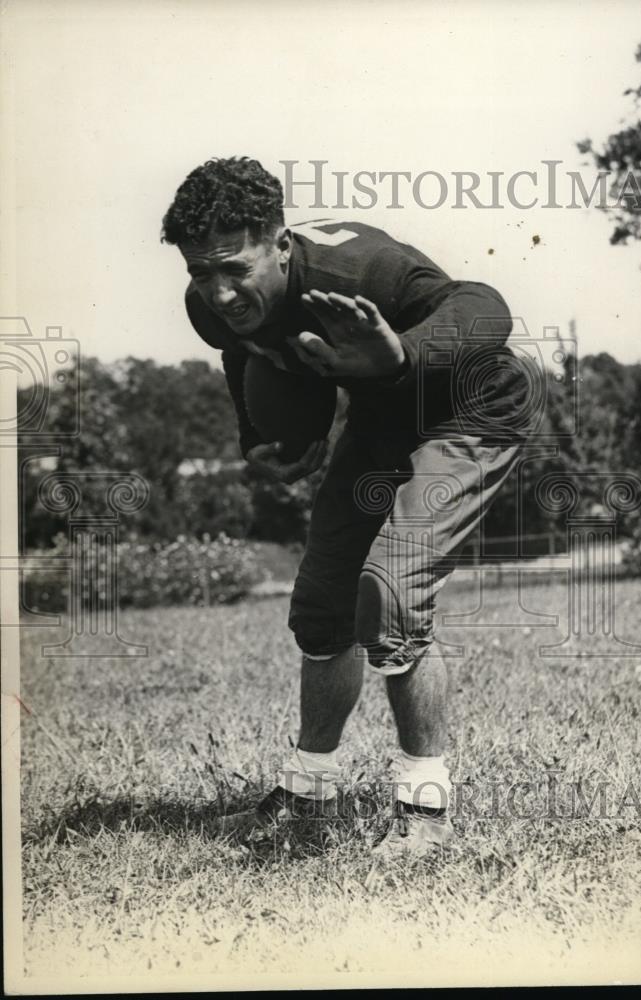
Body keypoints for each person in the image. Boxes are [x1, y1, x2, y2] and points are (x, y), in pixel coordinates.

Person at [161, 156, 530, 859]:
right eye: (200, 274)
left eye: (234, 269)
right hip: (383, 423)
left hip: (471, 409)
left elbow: (485, 306)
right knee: (323, 604)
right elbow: (241, 350)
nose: (220, 292)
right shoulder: (211, 304)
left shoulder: (358, 271)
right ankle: (308, 793)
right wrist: (259, 435)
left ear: (280, 243)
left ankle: (425, 808)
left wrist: (400, 353)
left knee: (389, 590)